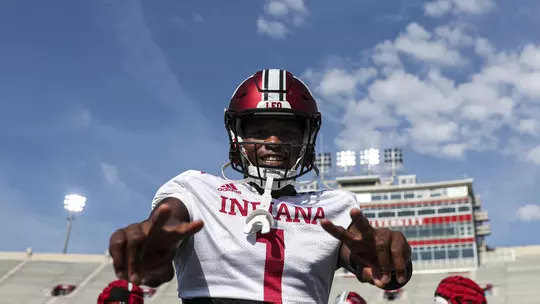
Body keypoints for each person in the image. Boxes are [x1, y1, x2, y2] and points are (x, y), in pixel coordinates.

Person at [108, 69, 413, 303]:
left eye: (287, 132)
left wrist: (385, 263)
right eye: (261, 131)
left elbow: (366, 259)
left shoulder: (336, 204)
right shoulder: (196, 188)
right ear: (236, 136)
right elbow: (167, 223)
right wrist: (154, 247)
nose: (273, 143)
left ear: (307, 139)